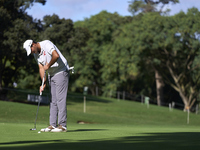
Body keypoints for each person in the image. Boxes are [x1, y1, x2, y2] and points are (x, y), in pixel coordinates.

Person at [23, 39, 69, 132]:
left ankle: (62, 125)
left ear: (33, 45)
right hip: (51, 75)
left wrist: (48, 65)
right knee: (53, 100)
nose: (32, 52)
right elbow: (41, 68)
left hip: (61, 71)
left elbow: (56, 55)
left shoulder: (47, 44)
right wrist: (43, 83)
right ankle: (52, 125)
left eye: (31, 50)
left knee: (60, 99)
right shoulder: (36, 55)